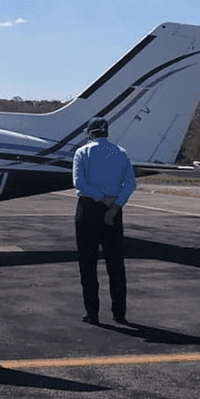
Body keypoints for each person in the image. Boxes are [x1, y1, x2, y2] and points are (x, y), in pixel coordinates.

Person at [72, 117, 136, 324]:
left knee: (88, 263)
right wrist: (115, 206)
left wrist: (101, 199)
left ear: (90, 133)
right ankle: (119, 313)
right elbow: (130, 184)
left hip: (89, 209)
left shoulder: (82, 152)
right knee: (116, 264)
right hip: (114, 211)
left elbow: (79, 183)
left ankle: (92, 313)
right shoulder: (121, 152)